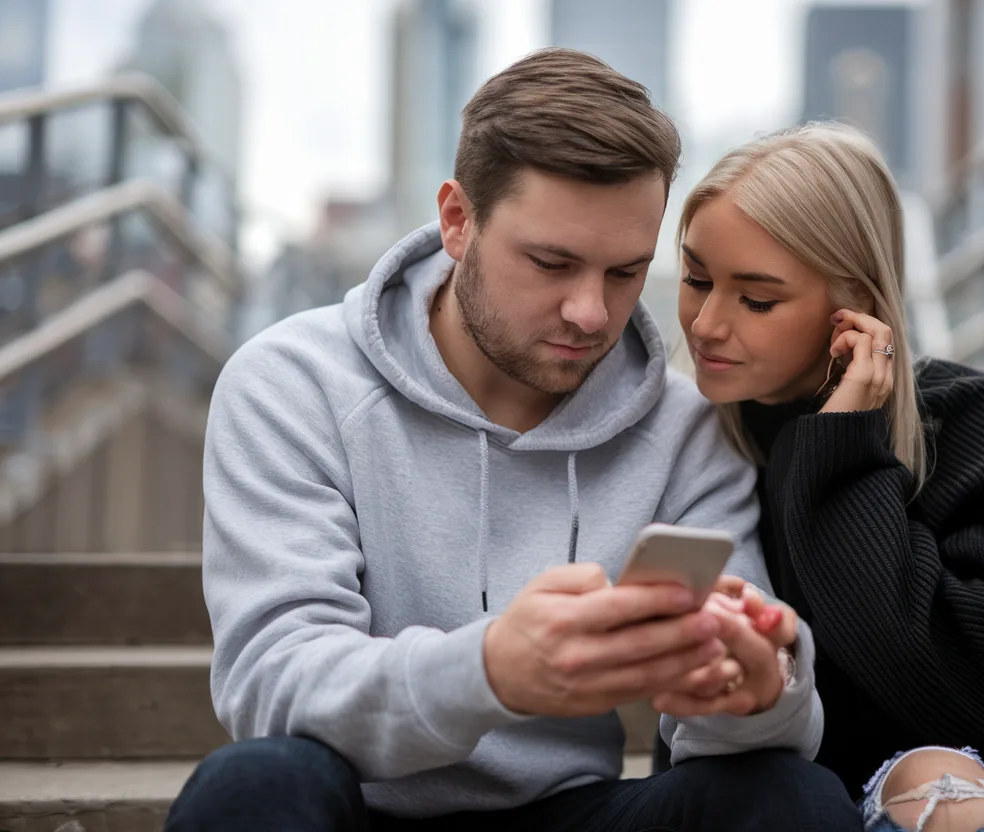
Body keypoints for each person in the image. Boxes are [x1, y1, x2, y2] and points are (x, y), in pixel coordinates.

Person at [164, 50, 860, 832]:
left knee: (791, 798)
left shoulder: (682, 425)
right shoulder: (293, 383)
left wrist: (761, 693)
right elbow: (273, 683)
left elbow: (755, 720)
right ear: (458, 221)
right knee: (253, 786)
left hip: (568, 811)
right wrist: (492, 669)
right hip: (352, 806)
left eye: (625, 271)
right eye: (552, 263)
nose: (591, 313)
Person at [652, 122, 984, 832]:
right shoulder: (690, 443)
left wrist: (842, 449)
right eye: (696, 279)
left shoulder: (976, 422)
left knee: (935, 782)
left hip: (970, 802)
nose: (706, 324)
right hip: (765, 807)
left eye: (756, 299)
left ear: (853, 304)